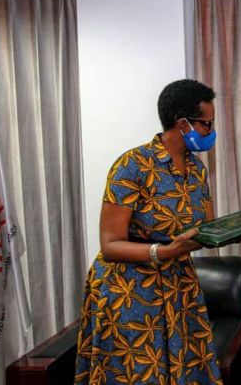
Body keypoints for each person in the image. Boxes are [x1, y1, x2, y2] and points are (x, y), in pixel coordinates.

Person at [75, 79, 223, 385]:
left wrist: (229, 230)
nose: (210, 132)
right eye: (206, 124)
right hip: (131, 294)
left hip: (180, 286)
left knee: (186, 372)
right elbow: (110, 244)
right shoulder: (133, 165)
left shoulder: (197, 170)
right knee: (138, 375)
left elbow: (204, 228)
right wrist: (163, 251)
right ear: (183, 124)